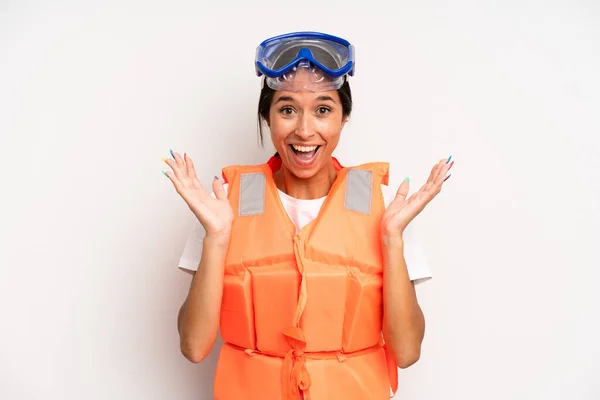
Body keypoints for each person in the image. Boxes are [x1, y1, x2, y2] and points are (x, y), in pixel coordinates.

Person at [163, 31, 454, 400]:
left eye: (322, 109)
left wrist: (392, 238)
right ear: (267, 117)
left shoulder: (387, 208)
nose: (304, 130)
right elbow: (193, 347)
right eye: (287, 109)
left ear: (344, 118)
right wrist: (217, 237)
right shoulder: (222, 206)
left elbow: (408, 352)